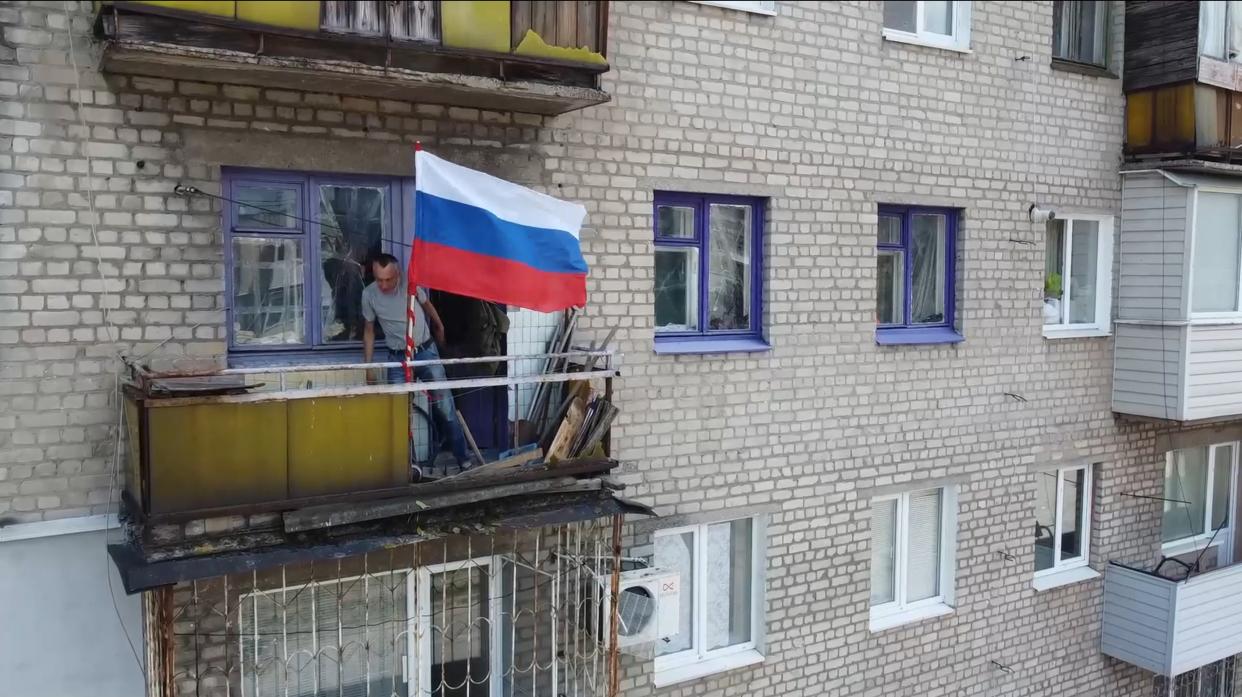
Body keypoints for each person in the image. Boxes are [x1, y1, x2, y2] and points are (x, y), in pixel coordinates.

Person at [361, 253, 471, 467]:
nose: (383, 285)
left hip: (425, 352)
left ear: (398, 274)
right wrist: (369, 366)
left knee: (445, 408)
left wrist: (439, 326)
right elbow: (368, 330)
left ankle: (463, 459)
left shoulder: (410, 287)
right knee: (398, 414)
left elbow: (427, 305)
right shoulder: (369, 295)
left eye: (388, 279)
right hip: (398, 358)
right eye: (379, 279)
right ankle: (405, 467)